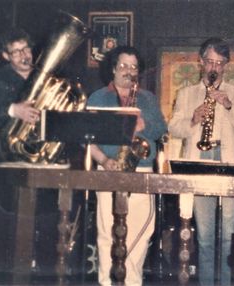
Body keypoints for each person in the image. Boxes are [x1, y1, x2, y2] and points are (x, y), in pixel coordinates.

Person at [168, 38, 234, 286]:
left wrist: (228, 104)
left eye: (219, 62)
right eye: (209, 61)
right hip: (198, 162)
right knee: (205, 237)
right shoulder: (186, 93)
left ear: (226, 65)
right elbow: (174, 128)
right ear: (201, 62)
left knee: (229, 234)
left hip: (227, 161)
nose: (214, 67)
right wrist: (194, 119)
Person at [87, 46, 167, 286]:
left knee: (142, 231)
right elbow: (87, 138)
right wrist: (103, 160)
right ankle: (106, 282)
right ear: (113, 69)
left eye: (133, 67)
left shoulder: (148, 98)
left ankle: (131, 282)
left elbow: (162, 130)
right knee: (106, 233)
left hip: (141, 169)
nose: (128, 71)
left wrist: (144, 125)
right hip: (108, 169)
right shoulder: (98, 97)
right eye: (123, 66)